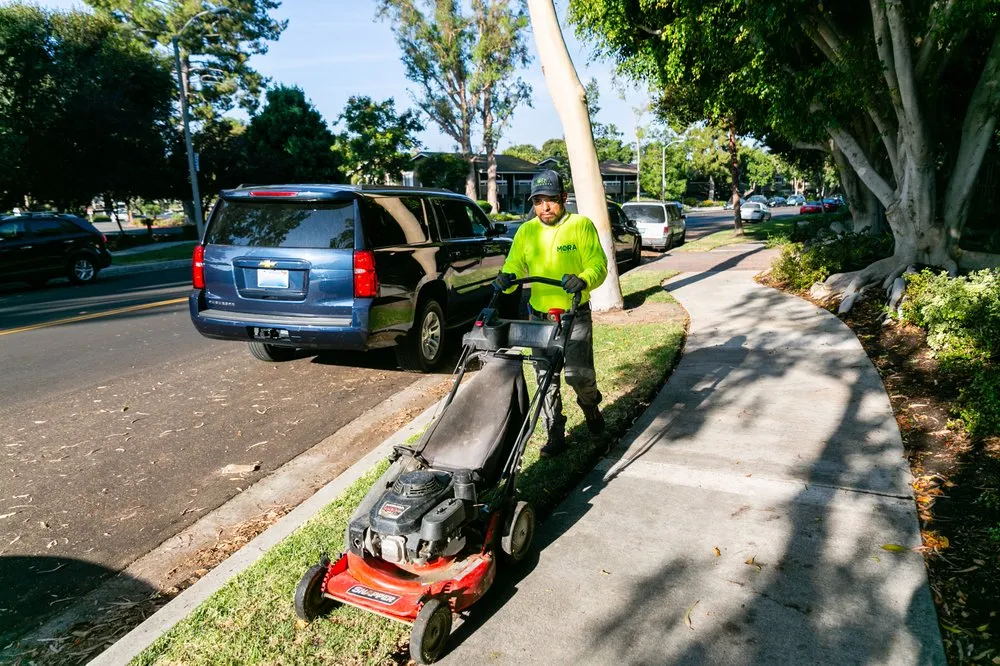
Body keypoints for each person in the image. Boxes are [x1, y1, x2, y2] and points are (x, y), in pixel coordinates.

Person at [493, 169, 607, 457]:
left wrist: (583, 279)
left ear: (564, 198)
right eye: (538, 201)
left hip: (574, 315)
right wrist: (506, 279)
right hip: (539, 318)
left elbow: (598, 264)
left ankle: (591, 407)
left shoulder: (581, 226)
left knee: (578, 375)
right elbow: (515, 266)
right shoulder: (526, 231)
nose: (544, 207)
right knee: (545, 379)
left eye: (551, 200)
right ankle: (554, 431)